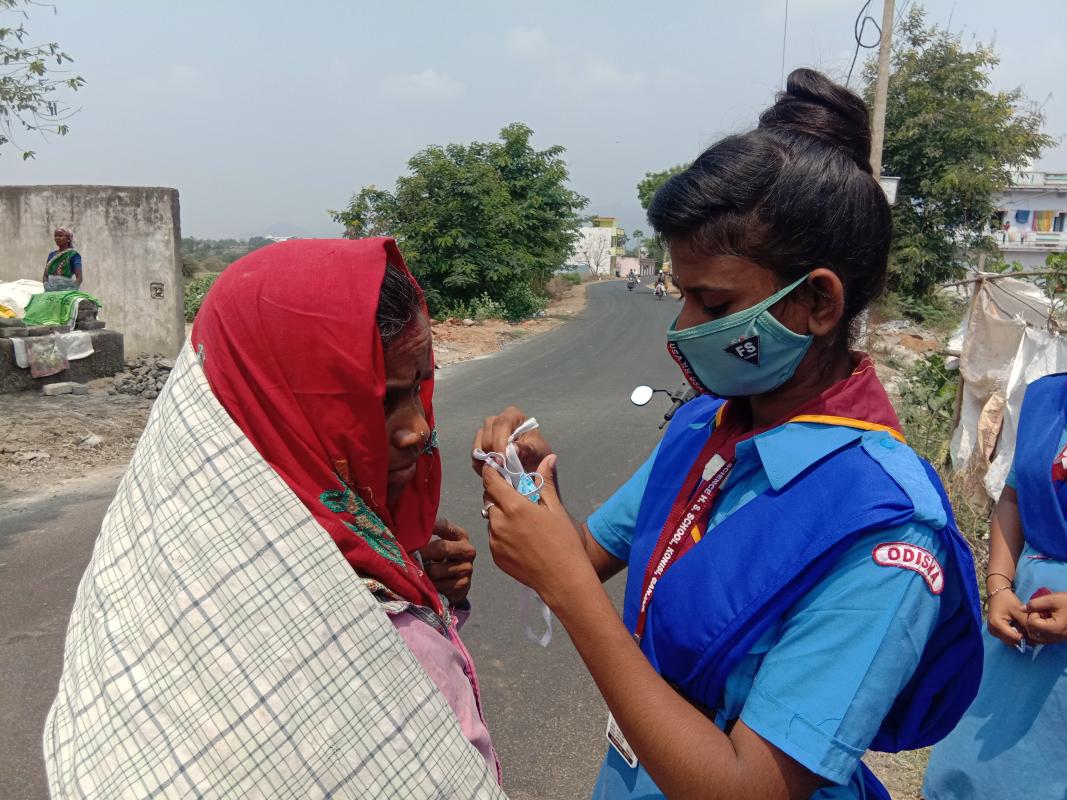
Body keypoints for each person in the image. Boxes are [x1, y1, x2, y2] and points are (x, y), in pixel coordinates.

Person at [473, 69, 982, 800]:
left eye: (712, 301)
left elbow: (750, 788)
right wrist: (529, 492)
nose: (682, 328)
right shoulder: (703, 429)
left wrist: (564, 587)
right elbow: (582, 556)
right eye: (681, 295)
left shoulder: (886, 529)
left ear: (814, 301)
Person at [45, 239, 504, 799]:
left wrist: (422, 602)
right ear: (282, 403)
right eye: (379, 401)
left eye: (417, 390)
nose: (416, 429)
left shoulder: (163, 555)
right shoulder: (345, 630)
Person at [923, 373, 1067, 800]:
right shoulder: (1046, 397)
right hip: (1020, 632)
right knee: (972, 770)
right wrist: (1000, 586)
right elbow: (1015, 496)